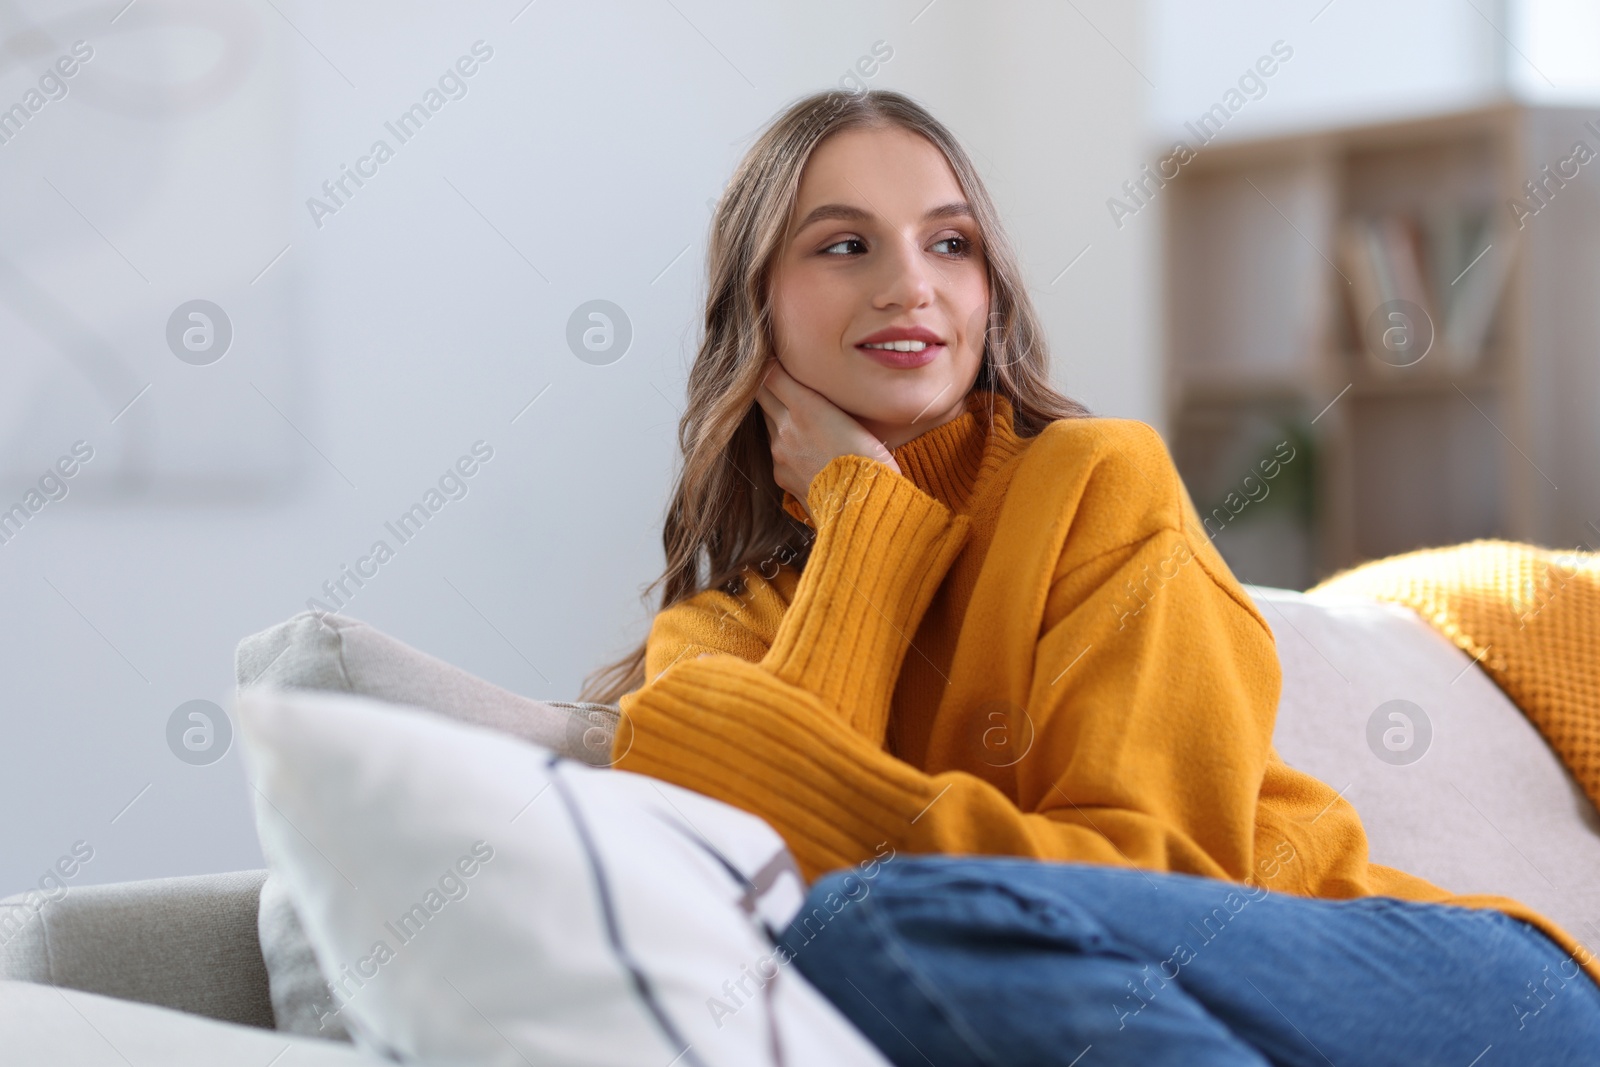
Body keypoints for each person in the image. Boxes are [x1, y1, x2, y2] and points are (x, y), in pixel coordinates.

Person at [578, 88, 1600, 1065]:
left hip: (1433, 984)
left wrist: (815, 802)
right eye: (844, 246)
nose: (909, 284)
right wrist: (866, 526)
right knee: (848, 939)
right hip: (1086, 1011)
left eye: (949, 243)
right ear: (753, 304)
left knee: (871, 918)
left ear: (989, 290)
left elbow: (1157, 880)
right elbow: (730, 856)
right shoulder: (716, 638)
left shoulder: (1092, 479)